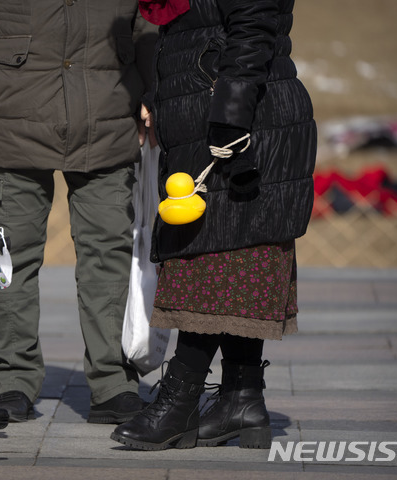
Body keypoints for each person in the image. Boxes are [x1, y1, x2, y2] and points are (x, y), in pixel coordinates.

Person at [0, 1, 157, 423]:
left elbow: (151, 14)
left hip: (109, 108)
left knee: (109, 250)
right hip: (10, 109)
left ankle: (113, 382)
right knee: (8, 254)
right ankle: (13, 378)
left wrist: (154, 88)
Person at [111, 0, 316, 450]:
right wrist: (160, 95)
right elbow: (198, 39)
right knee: (235, 256)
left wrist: (229, 116)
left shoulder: (231, 118)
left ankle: (178, 401)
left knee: (210, 264)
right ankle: (241, 399)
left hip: (239, 125)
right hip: (220, 117)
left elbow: (253, 25)